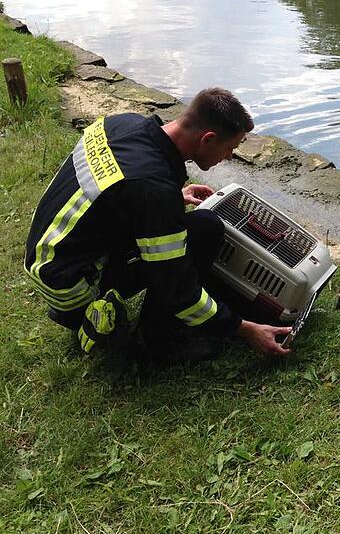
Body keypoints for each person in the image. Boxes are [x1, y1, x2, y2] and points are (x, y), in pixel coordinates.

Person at [24, 87, 292, 359]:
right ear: (208, 139)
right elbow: (177, 289)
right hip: (69, 284)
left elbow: (114, 195)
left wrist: (173, 198)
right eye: (229, 148)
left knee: (185, 230)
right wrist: (243, 328)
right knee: (204, 231)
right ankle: (156, 341)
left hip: (47, 256)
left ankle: (79, 308)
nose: (229, 156)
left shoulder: (121, 123)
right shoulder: (153, 189)